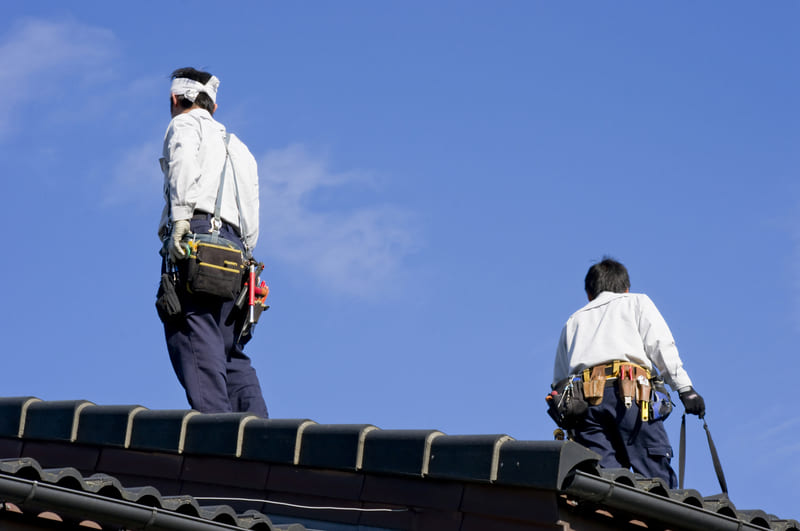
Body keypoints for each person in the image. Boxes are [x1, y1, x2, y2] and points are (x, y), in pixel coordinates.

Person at [157, 67, 269, 417]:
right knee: (228, 350)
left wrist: (180, 220)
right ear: (214, 107)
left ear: (175, 99)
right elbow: (252, 209)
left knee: (193, 333)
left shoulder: (184, 125)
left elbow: (182, 166)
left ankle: (218, 432)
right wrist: (247, 261)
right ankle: (257, 430)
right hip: (237, 252)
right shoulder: (240, 148)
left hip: (198, 239)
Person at [552, 257, 705, 487]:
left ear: (589, 294)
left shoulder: (574, 321)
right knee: (655, 479)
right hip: (632, 396)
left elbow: (559, 384)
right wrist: (685, 389)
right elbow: (661, 347)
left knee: (603, 481)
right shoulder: (636, 302)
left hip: (586, 407)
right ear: (626, 288)